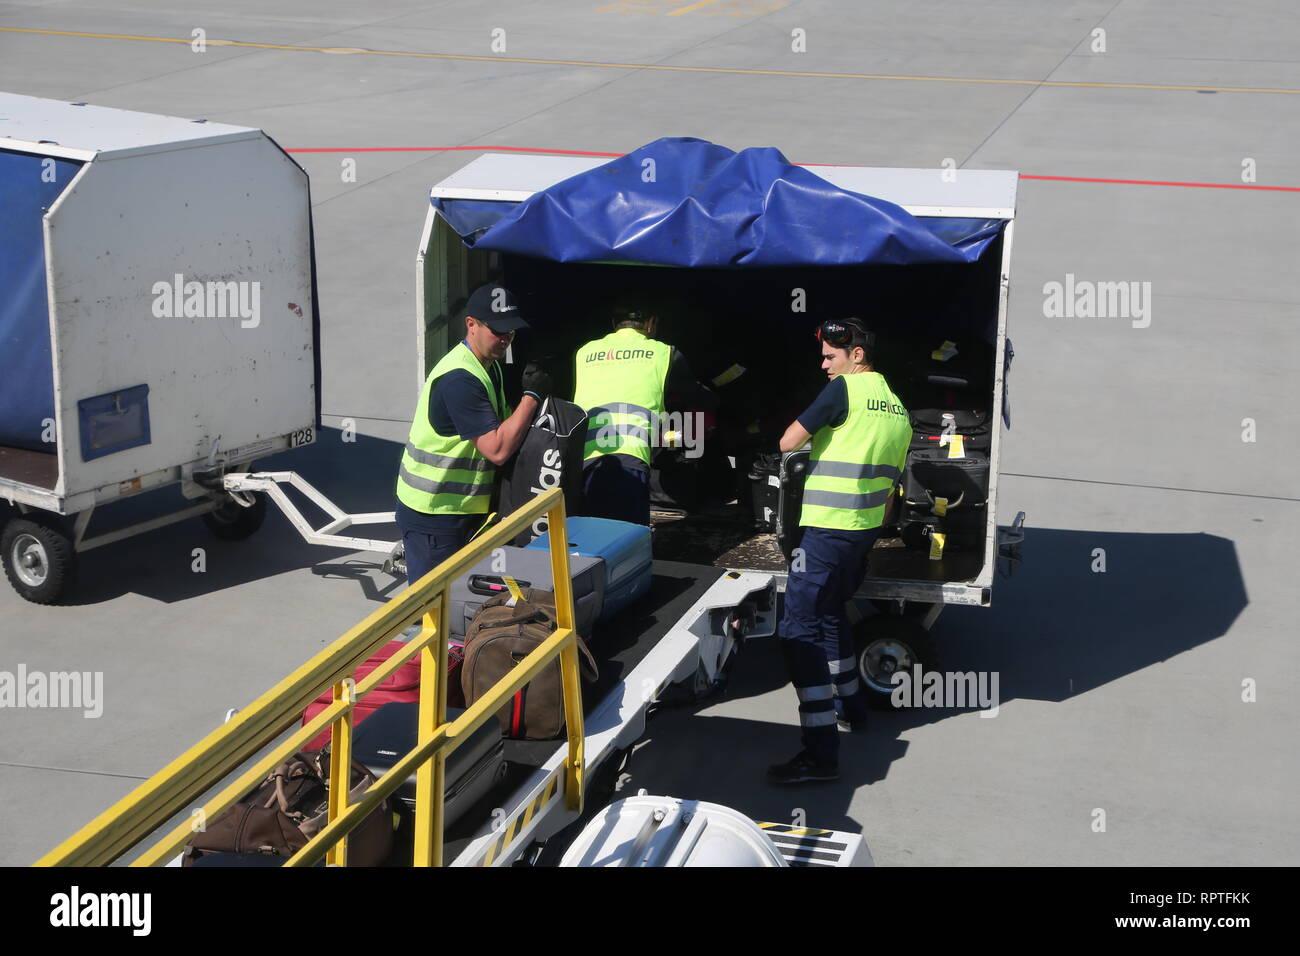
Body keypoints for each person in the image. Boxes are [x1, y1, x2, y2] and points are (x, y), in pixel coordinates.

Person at [767, 317, 911, 784]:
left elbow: (788, 442)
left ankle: (820, 754)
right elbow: (890, 494)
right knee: (831, 614)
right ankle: (854, 708)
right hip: (863, 532)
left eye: (831, 356)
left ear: (858, 356)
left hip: (826, 532)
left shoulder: (844, 392)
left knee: (797, 630)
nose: (824, 365)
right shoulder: (898, 408)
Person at [395, 282, 552, 586]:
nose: (505, 339)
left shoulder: (487, 366)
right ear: (471, 325)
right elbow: (497, 448)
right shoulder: (460, 379)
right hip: (435, 514)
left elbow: (504, 424)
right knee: (434, 607)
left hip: (460, 510)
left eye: (511, 332)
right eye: (498, 331)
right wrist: (532, 396)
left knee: (458, 601)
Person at [572, 303, 716, 525]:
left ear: (614, 324)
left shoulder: (585, 352)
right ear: (650, 323)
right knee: (628, 539)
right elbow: (695, 395)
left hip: (584, 458)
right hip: (630, 455)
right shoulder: (664, 353)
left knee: (591, 536)